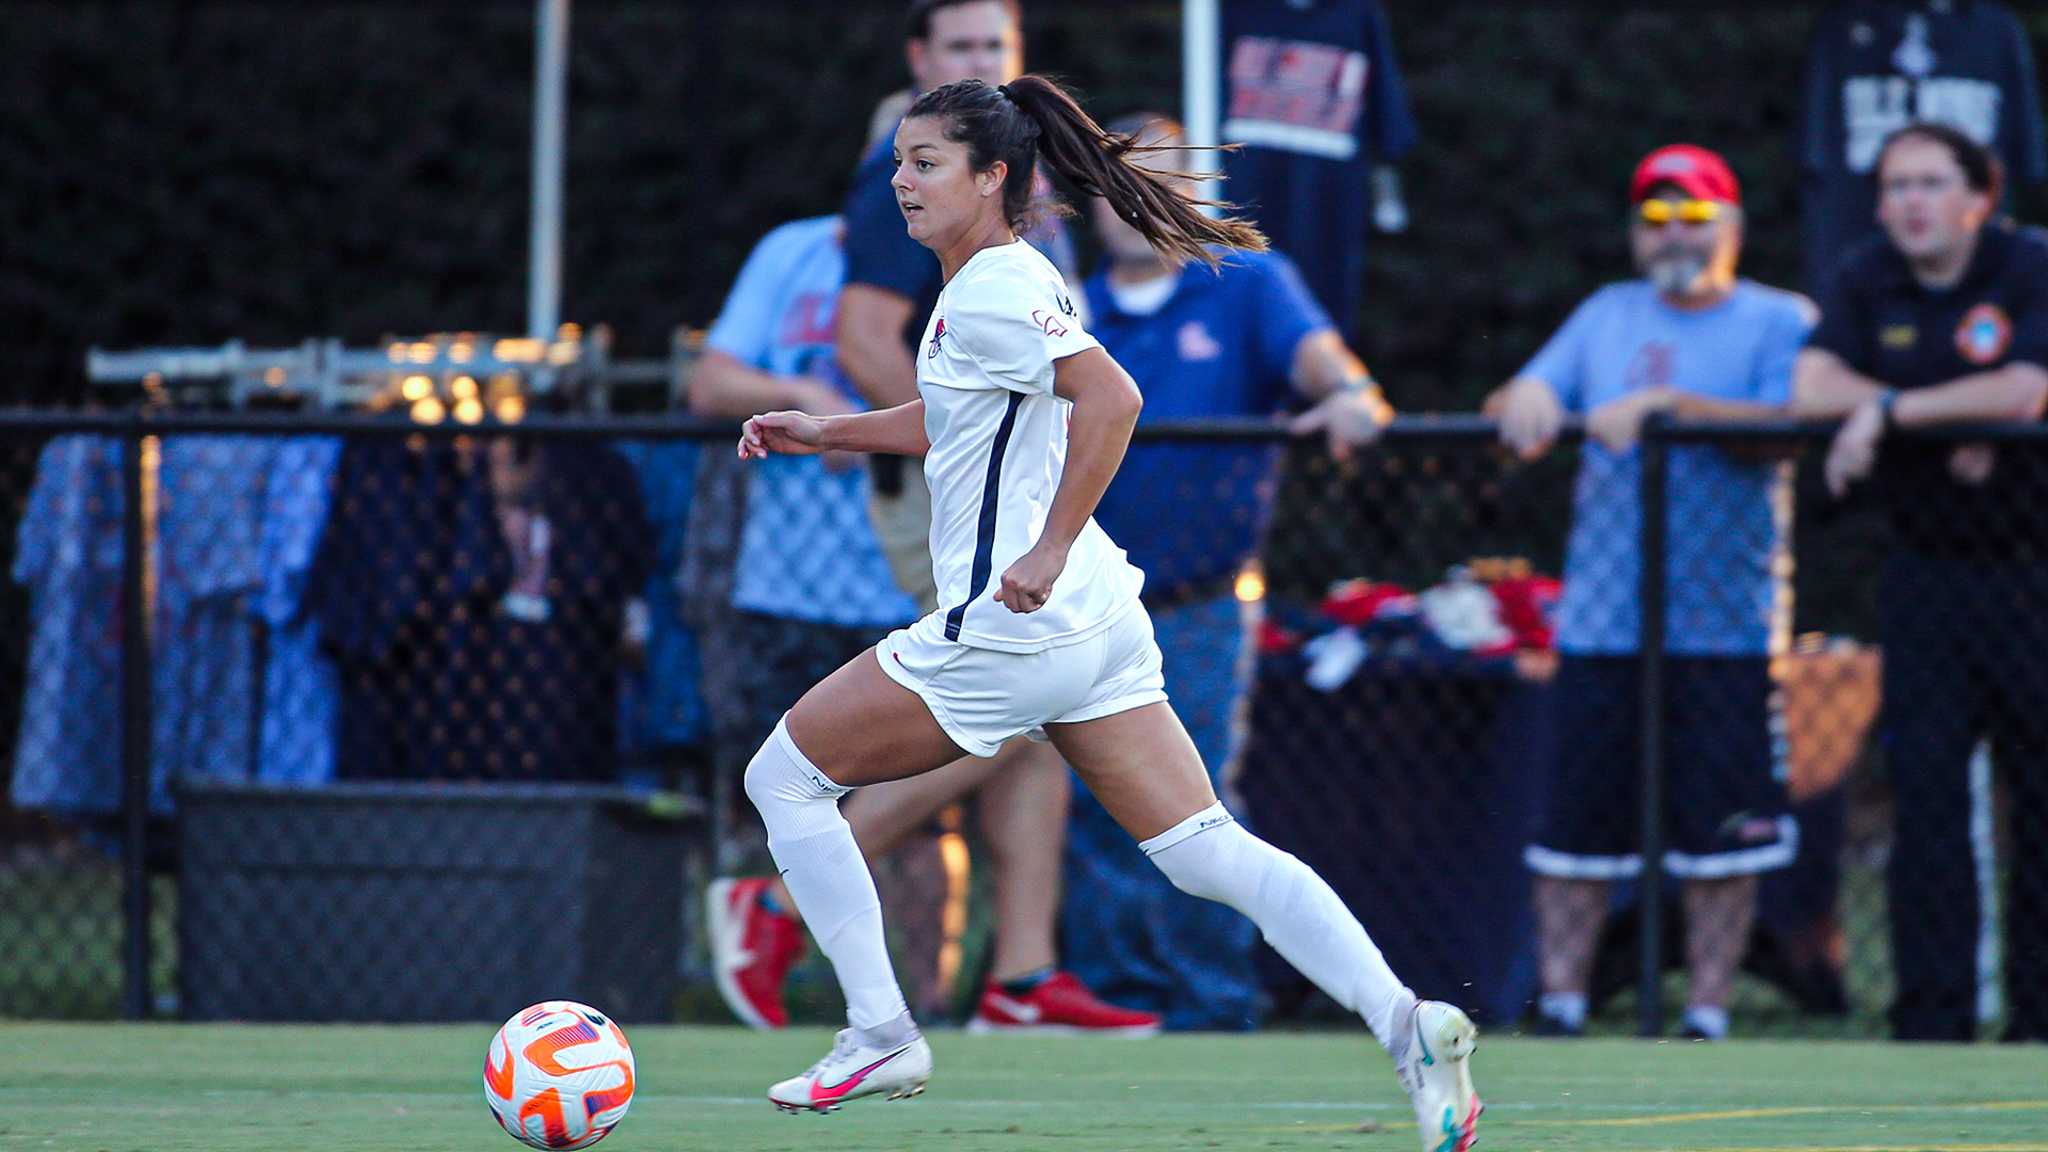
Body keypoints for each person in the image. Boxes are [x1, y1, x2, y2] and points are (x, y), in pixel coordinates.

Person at [733, 76, 1480, 1152]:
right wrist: (830, 431)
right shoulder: (1004, 281)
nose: (901, 180)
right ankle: (1405, 1022)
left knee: (783, 776)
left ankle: (880, 1029)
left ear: (993, 177)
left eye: (926, 161)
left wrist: (1035, 551)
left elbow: (1113, 399)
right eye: (898, 160)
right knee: (1201, 847)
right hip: (1094, 623)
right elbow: (962, 418)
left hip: (1014, 622)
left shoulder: (991, 286)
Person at [710, 0, 1148, 1036]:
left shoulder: (1006, 189)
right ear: (917, 63)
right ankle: (776, 904)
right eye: (956, 48)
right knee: (1006, 702)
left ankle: (1021, 978)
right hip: (958, 504)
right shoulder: (909, 172)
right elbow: (869, 334)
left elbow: (1048, 380)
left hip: (1009, 498)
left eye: (994, 47)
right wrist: (952, 446)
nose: (978, 63)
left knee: (1033, 721)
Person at [1064, 112, 1393, 1030]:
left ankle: (1213, 1007)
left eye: (1159, 178)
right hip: (1078, 603)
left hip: (1199, 603)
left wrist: (1352, 400)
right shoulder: (1062, 307)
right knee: (1091, 815)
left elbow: (1338, 375)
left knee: (1191, 809)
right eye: (1119, 178)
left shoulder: (1245, 285)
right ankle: (1112, 1004)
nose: (1138, 199)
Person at [1486, 144, 1812, 1041]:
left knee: (1722, 834)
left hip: (1729, 626)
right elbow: (1524, 397)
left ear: (1733, 227)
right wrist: (1523, 400)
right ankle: (1562, 1004)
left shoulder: (1780, 320)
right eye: (1657, 217)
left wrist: (1672, 407)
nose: (1675, 234)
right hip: (1603, 621)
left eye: (1696, 217)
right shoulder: (1605, 314)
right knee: (1575, 827)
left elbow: (1793, 427)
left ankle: (1707, 1011)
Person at [1794, 121, 2048, 1042]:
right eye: (1895, 184)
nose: (1910, 201)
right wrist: (1909, 417)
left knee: (2040, 801)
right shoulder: (1869, 276)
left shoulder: (2029, 268)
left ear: (1982, 196)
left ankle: (2038, 1024)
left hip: (2034, 574)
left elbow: (2024, 389)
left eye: (1932, 182)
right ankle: (1930, 1021)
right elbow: (1812, 383)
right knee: (1928, 800)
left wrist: (1894, 412)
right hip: (1928, 576)